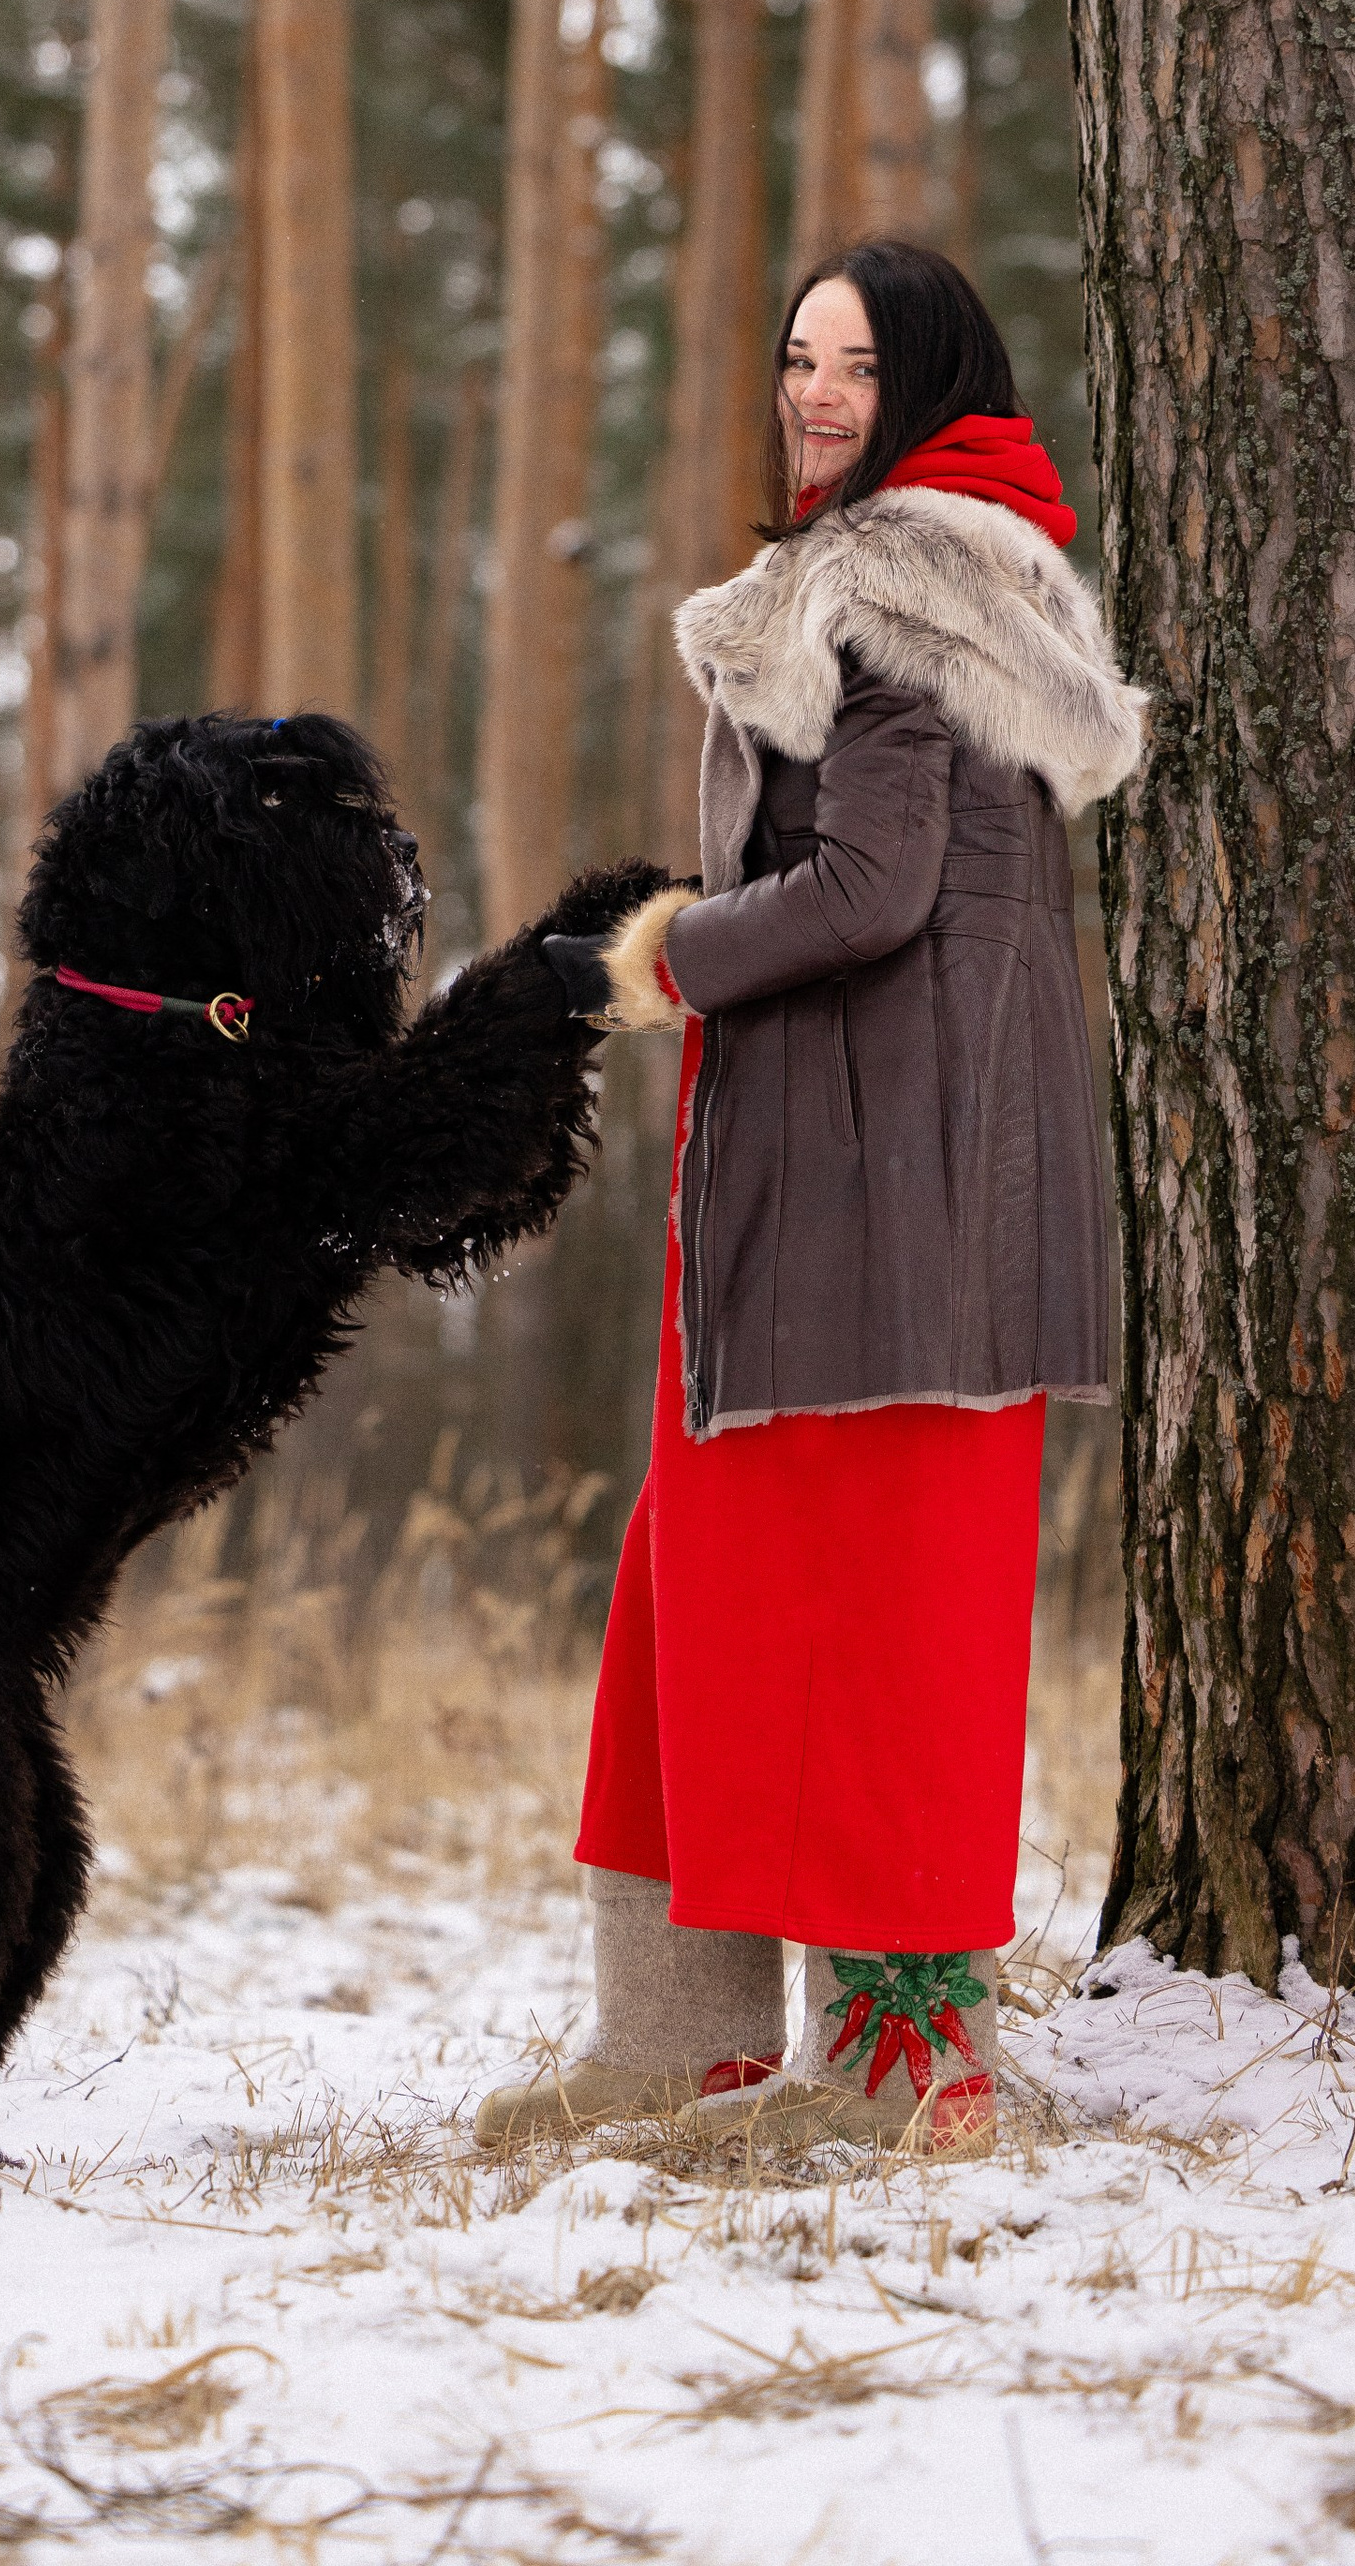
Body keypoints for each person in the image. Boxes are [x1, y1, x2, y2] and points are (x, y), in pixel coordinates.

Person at [478, 241, 1147, 2152]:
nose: (818, 392)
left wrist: (664, 952)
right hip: (878, 1168)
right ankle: (676, 2029)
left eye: (859, 362)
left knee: (881, 1605)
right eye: (798, 357)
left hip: (889, 1178)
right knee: (699, 1582)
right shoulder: (945, 569)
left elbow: (873, 889)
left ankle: (907, 2064)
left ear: (935, 381)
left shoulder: (898, 583)